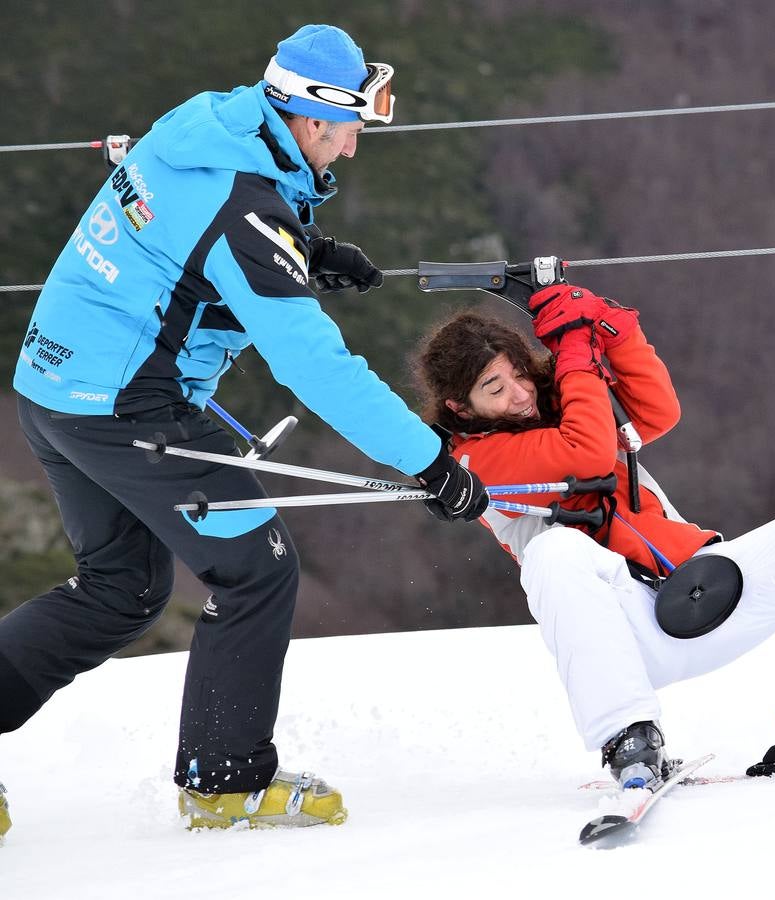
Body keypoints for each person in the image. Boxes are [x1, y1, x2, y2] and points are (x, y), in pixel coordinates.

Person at [2, 24, 488, 831]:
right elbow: (315, 366)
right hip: (127, 406)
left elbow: (190, 230)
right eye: (355, 121)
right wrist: (430, 461)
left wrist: (307, 247)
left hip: (55, 390)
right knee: (255, 572)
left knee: (121, 591)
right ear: (312, 117)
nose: (358, 143)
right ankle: (226, 783)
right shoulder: (245, 212)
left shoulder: (212, 124)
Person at [415, 285, 775, 788]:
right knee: (554, 551)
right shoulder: (472, 460)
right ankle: (629, 737)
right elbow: (584, 453)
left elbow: (658, 411)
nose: (519, 395)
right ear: (461, 408)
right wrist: (575, 354)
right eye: (494, 388)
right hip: (625, 636)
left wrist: (604, 323)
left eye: (519, 375)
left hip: (704, 588)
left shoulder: (567, 404)